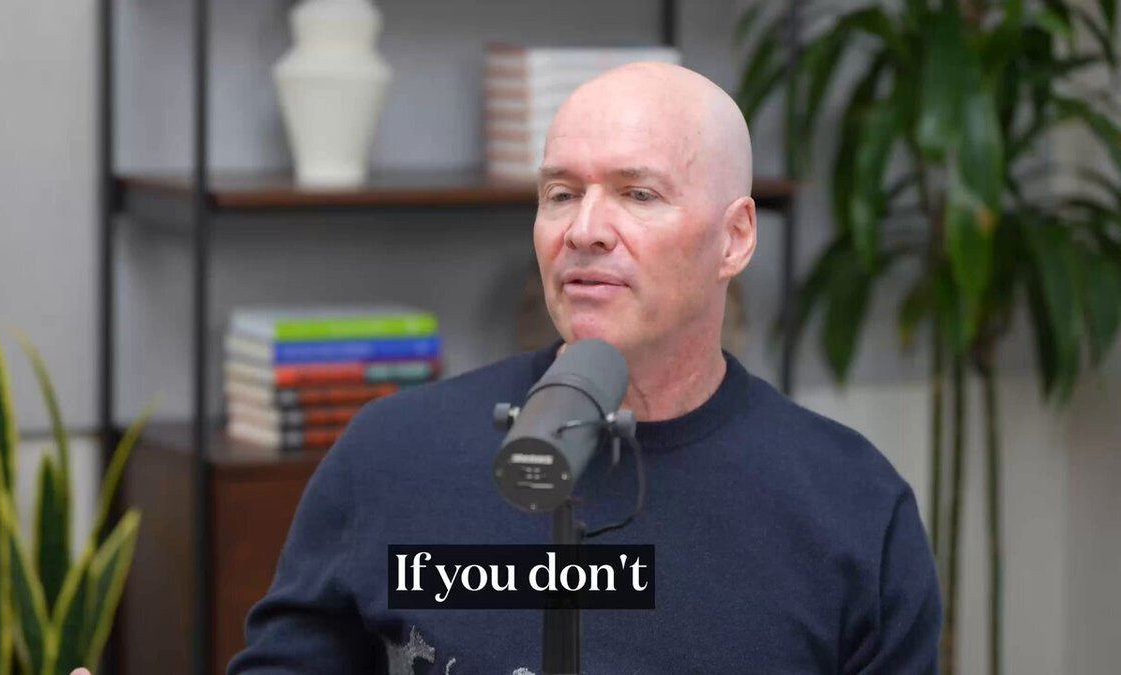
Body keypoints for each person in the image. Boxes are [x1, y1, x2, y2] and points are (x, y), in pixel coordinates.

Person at [216, 61, 939, 673]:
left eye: (638, 194)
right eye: (561, 194)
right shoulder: (391, 454)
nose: (584, 230)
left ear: (735, 238)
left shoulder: (851, 507)